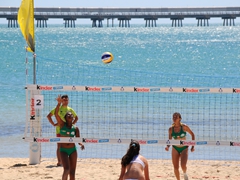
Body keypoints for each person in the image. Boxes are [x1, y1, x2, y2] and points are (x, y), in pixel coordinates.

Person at [55, 95, 85, 180]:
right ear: (65, 117)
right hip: (63, 150)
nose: (70, 115)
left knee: (72, 172)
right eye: (68, 114)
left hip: (73, 150)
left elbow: (78, 139)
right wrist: (58, 104)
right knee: (66, 169)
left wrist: (81, 144)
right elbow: (56, 114)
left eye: (71, 115)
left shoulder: (75, 128)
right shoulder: (61, 125)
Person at [47, 94, 79, 166]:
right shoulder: (57, 109)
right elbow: (49, 116)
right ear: (61, 101)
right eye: (64, 100)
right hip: (59, 130)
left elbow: (76, 118)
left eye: (67, 100)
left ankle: (67, 160)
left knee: (69, 145)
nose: (65, 101)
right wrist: (53, 124)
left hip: (69, 131)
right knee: (59, 146)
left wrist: (72, 125)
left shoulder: (70, 109)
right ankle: (59, 161)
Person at [165, 112, 195, 180]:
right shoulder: (171, 129)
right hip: (175, 148)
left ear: (180, 119)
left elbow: (192, 134)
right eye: (173, 117)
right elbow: (170, 140)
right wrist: (168, 146)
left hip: (184, 147)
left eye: (176, 117)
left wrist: (193, 146)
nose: (174, 118)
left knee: (183, 165)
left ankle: (185, 173)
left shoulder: (184, 127)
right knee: (176, 168)